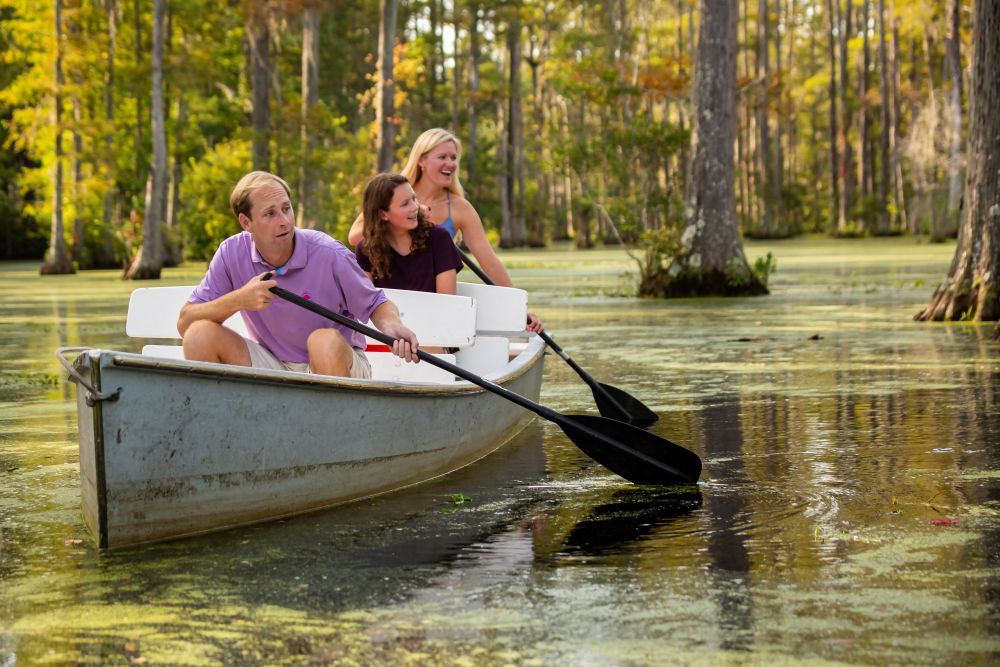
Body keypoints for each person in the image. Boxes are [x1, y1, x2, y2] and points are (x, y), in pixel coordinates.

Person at [178, 170, 419, 379]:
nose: (284, 221)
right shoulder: (231, 252)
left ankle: (336, 429)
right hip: (274, 365)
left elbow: (376, 302)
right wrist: (240, 299)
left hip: (337, 364)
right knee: (199, 335)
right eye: (270, 214)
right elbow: (185, 323)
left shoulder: (328, 253)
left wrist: (392, 325)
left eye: (286, 209)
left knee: (322, 341)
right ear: (245, 222)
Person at [347, 128, 542, 333]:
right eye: (442, 157)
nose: (451, 163)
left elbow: (490, 263)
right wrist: (415, 215)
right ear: (421, 160)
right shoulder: (394, 194)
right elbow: (355, 237)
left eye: (454, 157)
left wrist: (520, 309)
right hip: (392, 299)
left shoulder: (460, 208)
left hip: (434, 297)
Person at [354, 172, 462, 294]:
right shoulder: (366, 251)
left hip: (434, 313)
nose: (415, 207)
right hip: (385, 314)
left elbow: (447, 302)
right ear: (383, 214)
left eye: (414, 199)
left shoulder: (439, 238)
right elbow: (365, 302)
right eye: (405, 204)